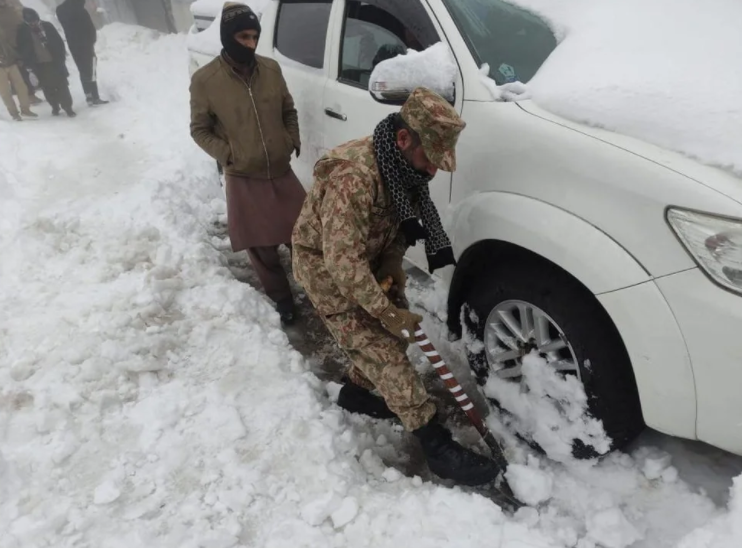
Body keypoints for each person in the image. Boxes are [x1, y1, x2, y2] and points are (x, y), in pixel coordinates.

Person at [291, 87, 501, 486]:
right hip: (327, 271)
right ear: (404, 139)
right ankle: (435, 444)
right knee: (386, 354)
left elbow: (394, 225)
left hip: (365, 261)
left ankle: (356, 393)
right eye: (429, 159)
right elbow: (341, 260)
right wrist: (385, 309)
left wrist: (391, 263)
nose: (433, 172)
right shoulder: (354, 177)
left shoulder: (403, 168)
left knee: (394, 335)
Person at [189, 2, 305, 325]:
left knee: (304, 235)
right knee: (262, 245)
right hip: (243, 174)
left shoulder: (271, 69)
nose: (251, 44)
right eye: (243, 36)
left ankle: (316, 288)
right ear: (228, 37)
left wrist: (291, 139)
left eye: (255, 36)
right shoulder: (205, 80)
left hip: (281, 171)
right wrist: (229, 154)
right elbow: (199, 129)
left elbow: (288, 111)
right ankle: (282, 299)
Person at [16, 8, 75, 117]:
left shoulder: (47, 26)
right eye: (30, 22)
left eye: (34, 20)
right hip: (38, 64)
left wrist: (61, 57)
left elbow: (58, 42)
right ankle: (55, 106)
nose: (33, 23)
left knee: (62, 85)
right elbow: (22, 48)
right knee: (47, 87)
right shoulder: (22, 31)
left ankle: (68, 107)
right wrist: (28, 64)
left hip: (55, 61)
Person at [56, 0, 108, 106]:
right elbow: (89, 28)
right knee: (91, 68)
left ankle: (88, 95)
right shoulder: (80, 10)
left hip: (73, 45)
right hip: (86, 45)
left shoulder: (60, 10)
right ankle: (95, 96)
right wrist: (92, 40)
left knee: (82, 70)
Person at [0, 0, 41, 104]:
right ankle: (29, 96)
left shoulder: (12, 8)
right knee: (21, 72)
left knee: (28, 68)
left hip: (23, 41)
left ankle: (32, 92)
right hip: (10, 47)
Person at [0, 27, 35, 120]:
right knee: (5, 91)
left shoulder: (2, 29)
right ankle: (14, 113)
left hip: (10, 62)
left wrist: (17, 57)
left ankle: (25, 109)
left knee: (22, 87)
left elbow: (8, 45)